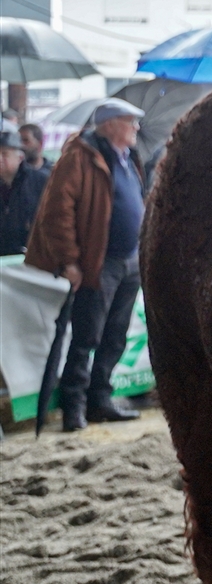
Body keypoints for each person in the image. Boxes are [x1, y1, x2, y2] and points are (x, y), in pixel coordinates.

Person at [26, 99, 149, 431]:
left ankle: (100, 400)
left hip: (128, 260)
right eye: (130, 121)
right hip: (99, 261)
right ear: (109, 124)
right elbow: (57, 212)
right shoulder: (79, 156)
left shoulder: (128, 158)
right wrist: (70, 261)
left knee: (115, 335)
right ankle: (73, 406)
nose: (136, 128)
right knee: (86, 336)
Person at [0, 126, 50, 256]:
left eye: (5, 154)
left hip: (31, 254)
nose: (0, 159)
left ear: (20, 158)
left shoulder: (40, 180)